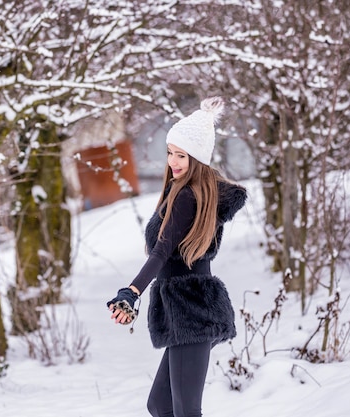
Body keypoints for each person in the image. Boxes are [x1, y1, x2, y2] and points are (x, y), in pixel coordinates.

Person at [107, 96, 247, 417]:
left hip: (191, 314)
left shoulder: (188, 196)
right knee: (160, 405)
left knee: (185, 411)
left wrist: (132, 291)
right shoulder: (192, 192)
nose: (173, 161)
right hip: (188, 311)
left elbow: (161, 252)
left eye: (181, 155)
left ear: (197, 158)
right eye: (170, 152)